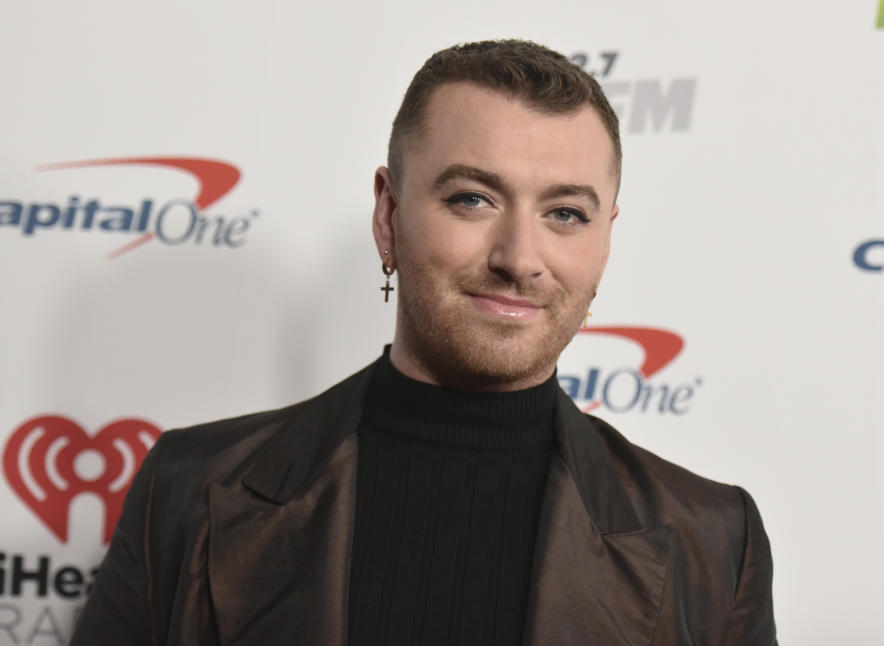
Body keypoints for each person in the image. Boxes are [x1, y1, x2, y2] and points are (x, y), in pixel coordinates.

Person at [71, 39, 777, 646]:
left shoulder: (710, 539)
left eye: (565, 213)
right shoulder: (190, 488)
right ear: (388, 214)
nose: (519, 257)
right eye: (472, 198)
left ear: (604, 241)